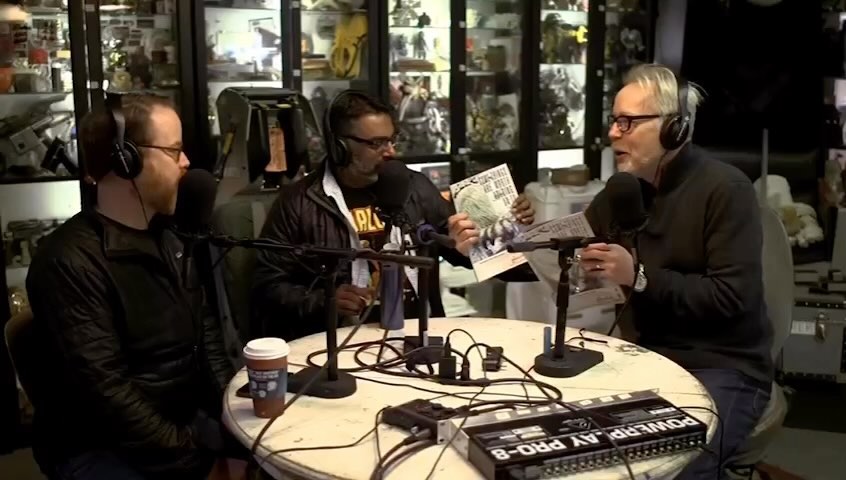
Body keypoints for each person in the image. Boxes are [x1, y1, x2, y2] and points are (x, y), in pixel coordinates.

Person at [452, 63, 774, 479]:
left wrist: (637, 275)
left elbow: (731, 298)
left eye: (627, 122)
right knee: (565, 443)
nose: (612, 133)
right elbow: (555, 264)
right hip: (644, 353)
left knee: (679, 465)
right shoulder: (622, 191)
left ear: (674, 128)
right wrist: (479, 249)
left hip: (723, 365)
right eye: (613, 120)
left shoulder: (725, 189)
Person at [25, 94, 236, 480]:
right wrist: (190, 457)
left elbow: (207, 339)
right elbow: (108, 394)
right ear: (127, 160)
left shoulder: (170, 239)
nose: (186, 162)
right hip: (102, 446)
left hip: (177, 424)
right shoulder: (68, 262)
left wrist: (233, 415)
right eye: (174, 150)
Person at [251, 90, 535, 340]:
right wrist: (324, 300)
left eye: (391, 140)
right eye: (376, 143)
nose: (390, 152)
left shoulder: (415, 187)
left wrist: (517, 233)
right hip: (340, 342)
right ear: (340, 147)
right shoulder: (299, 202)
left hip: (416, 335)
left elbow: (463, 250)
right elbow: (266, 284)